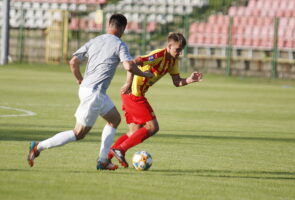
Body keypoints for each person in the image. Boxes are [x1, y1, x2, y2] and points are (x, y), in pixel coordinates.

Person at [27, 14, 153, 170]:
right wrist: (145, 74)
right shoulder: (120, 44)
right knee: (78, 133)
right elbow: (128, 66)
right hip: (94, 93)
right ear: (123, 28)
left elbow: (73, 61)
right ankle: (38, 146)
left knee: (114, 119)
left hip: (90, 90)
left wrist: (80, 79)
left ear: (109, 25)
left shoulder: (95, 40)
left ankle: (102, 160)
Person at [108, 32, 203, 168]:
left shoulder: (173, 61)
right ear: (169, 46)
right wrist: (128, 83)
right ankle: (120, 150)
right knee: (153, 127)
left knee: (134, 132)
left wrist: (190, 80)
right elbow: (133, 63)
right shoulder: (159, 55)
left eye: (181, 50)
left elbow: (177, 82)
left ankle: (105, 159)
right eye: (177, 49)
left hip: (133, 95)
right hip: (134, 94)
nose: (179, 53)